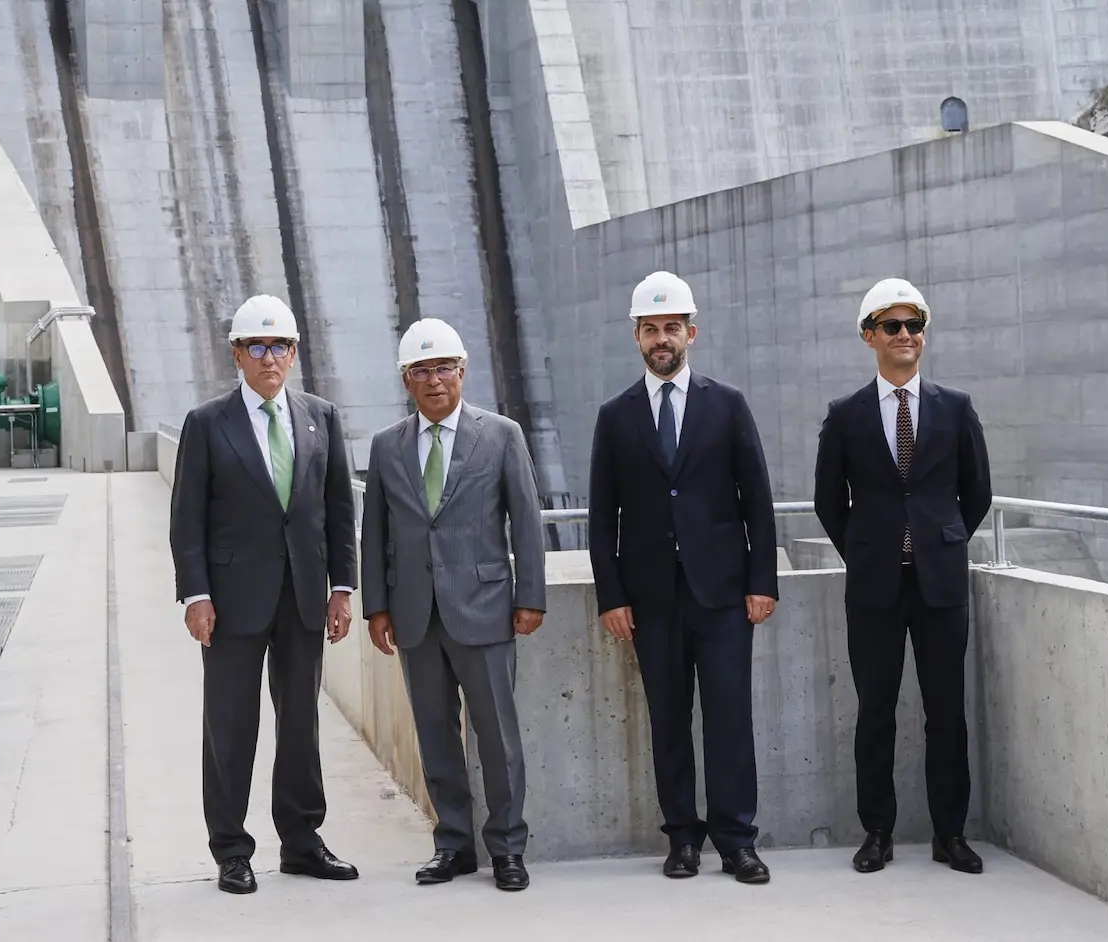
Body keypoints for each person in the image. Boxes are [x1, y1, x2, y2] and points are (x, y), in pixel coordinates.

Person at [587, 272, 779, 884]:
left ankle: (736, 839)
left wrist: (762, 580)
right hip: (651, 600)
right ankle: (682, 839)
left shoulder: (728, 405)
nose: (662, 338)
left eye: (671, 327)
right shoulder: (615, 417)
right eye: (651, 329)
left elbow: (758, 501)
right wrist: (611, 595)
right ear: (637, 337)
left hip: (722, 595)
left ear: (691, 332)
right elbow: (601, 516)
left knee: (729, 719)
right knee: (669, 720)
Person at [168, 294, 360, 895]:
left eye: (279, 346)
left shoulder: (321, 417)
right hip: (231, 600)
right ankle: (231, 848)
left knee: (300, 722)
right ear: (237, 354)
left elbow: (337, 509)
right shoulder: (206, 423)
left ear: (294, 353)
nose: (269, 358)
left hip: (304, 595)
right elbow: (186, 519)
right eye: (257, 346)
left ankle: (302, 842)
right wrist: (195, 594)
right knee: (230, 724)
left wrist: (343, 588)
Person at [813, 278, 992, 876]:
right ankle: (878, 833)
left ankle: (950, 834)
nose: (906, 336)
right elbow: (828, 502)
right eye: (892, 326)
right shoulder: (845, 416)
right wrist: (867, 550)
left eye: (915, 326)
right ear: (870, 336)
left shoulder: (956, 407)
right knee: (876, 713)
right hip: (874, 590)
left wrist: (941, 541)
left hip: (940, 586)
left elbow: (978, 493)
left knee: (946, 713)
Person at [362, 319, 546, 893]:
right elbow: (375, 533)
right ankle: (454, 847)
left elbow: (527, 520)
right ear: (406, 380)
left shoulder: (501, 435)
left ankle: (508, 849)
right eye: (421, 370)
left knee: (497, 738)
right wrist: (377, 607)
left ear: (462, 372)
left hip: (487, 608)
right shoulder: (387, 445)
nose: (434, 379)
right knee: (435, 736)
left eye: (444, 367)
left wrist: (531, 596)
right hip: (416, 615)